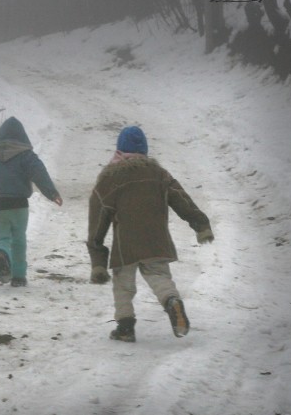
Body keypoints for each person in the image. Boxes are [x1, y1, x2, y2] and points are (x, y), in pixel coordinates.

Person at [87, 125, 214, 342]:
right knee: (159, 276)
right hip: (156, 240)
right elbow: (181, 199)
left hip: (125, 244)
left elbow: (98, 217)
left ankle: (125, 328)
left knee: (123, 284)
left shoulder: (110, 178)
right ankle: (172, 301)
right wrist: (200, 224)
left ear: (119, 150)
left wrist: (98, 256)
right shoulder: (159, 175)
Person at [0, 116, 63, 287]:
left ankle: (1, 253)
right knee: (18, 239)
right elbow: (39, 173)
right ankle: (18, 276)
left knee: (0, 238)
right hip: (18, 204)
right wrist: (52, 193)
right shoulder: (26, 155)